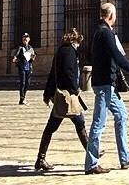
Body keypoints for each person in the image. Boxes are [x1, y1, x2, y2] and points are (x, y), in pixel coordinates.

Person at [84, 2, 129, 174]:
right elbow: (119, 57)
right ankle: (91, 164)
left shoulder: (99, 32)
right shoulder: (105, 33)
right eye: (115, 14)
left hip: (107, 85)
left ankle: (125, 157)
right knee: (98, 124)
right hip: (105, 85)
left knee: (122, 115)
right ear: (111, 15)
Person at [35, 29, 90, 172]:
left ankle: (40, 159)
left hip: (60, 95)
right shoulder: (70, 52)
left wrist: (47, 93)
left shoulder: (60, 51)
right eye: (78, 43)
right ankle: (92, 153)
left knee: (52, 126)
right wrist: (75, 89)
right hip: (67, 96)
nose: (79, 46)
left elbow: (53, 74)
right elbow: (69, 73)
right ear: (75, 41)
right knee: (80, 122)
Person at [14, 32, 36, 105]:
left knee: (27, 83)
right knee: (22, 83)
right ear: (22, 39)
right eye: (24, 37)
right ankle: (22, 99)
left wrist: (33, 58)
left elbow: (33, 57)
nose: (25, 39)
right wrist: (15, 59)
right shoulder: (20, 47)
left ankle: (24, 97)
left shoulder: (30, 48)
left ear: (29, 39)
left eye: (26, 37)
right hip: (22, 68)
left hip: (28, 67)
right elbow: (15, 57)